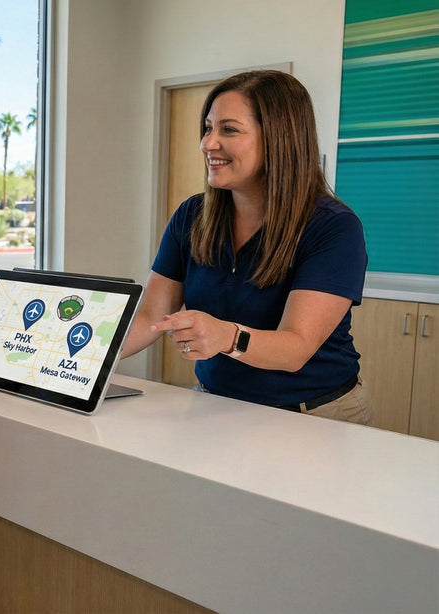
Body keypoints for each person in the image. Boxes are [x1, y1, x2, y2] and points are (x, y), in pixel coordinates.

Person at [122, 69, 373, 425]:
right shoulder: (190, 216)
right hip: (218, 404)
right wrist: (81, 358)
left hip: (314, 415)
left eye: (229, 129)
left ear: (279, 139)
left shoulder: (333, 227)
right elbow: (150, 317)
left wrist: (226, 336)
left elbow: (295, 347)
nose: (208, 143)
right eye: (208, 128)